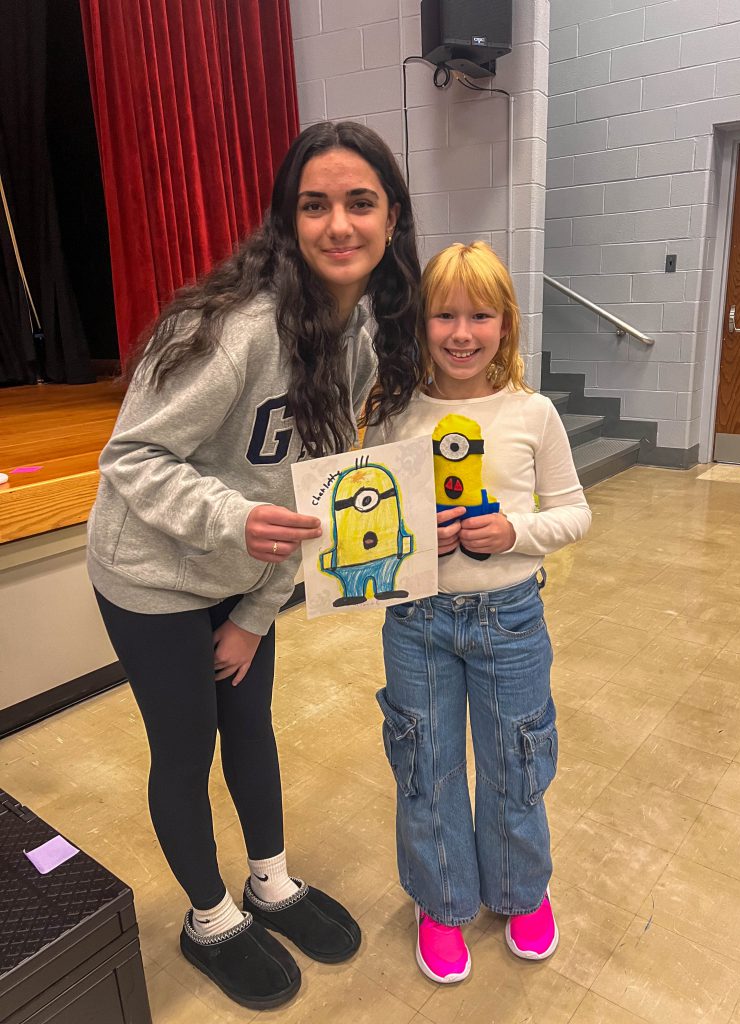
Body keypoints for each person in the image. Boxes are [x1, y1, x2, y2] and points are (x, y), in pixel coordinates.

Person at [86, 121, 421, 1010]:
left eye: (360, 202)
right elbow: (129, 460)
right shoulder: (231, 329)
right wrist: (236, 522)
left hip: (237, 578)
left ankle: (269, 882)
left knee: (252, 726)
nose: (338, 224)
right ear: (287, 220)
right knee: (187, 743)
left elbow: (307, 495)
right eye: (315, 205)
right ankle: (209, 919)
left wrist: (254, 614)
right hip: (151, 573)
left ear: (393, 218)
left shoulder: (353, 337)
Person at [365, 241, 591, 984]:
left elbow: (574, 514)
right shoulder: (394, 414)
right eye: (444, 315)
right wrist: (404, 540)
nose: (462, 333)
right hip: (417, 622)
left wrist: (514, 533)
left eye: (480, 315)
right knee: (424, 763)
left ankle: (521, 892)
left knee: (517, 760)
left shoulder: (533, 413)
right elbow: (360, 524)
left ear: (506, 325)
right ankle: (443, 899)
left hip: (512, 620)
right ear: (420, 323)